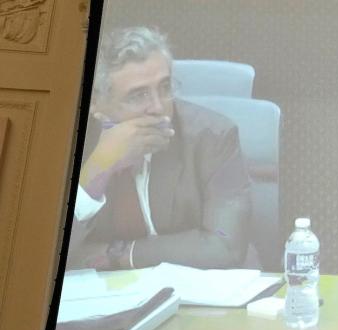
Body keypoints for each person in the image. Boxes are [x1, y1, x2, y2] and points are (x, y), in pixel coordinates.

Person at [68, 26, 251, 271]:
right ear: (96, 103)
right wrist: (96, 173)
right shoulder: (64, 145)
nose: (158, 107)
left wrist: (120, 254)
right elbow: (39, 252)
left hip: (202, 292)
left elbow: (224, 245)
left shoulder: (213, 137)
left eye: (165, 88)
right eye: (138, 95)